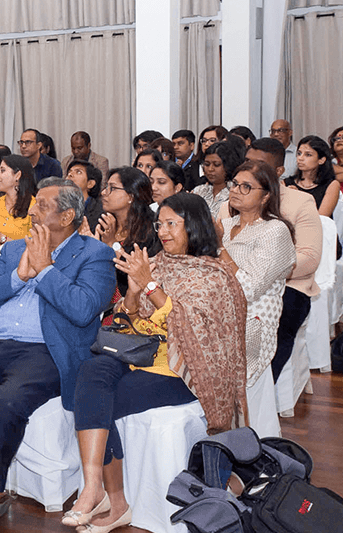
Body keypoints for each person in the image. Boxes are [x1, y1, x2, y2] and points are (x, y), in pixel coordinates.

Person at [0, 178, 116, 533]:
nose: (31, 210)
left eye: (42, 205)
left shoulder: (96, 255)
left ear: (68, 216)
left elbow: (84, 309)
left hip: (46, 351)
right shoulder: (14, 250)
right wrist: (18, 275)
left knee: (6, 403)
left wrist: (44, 270)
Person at [65, 192, 247, 532]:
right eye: (159, 224)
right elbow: (129, 321)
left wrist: (148, 283)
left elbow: (191, 327)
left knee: (101, 403)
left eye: (171, 224)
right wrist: (133, 294)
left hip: (183, 369)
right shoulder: (157, 263)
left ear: (193, 226)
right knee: (89, 372)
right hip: (138, 353)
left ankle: (115, 500)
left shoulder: (215, 274)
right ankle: (96, 489)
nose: (162, 231)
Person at [217, 160, 295, 436]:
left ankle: (257, 451)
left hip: (253, 320)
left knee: (246, 391)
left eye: (246, 186)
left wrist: (217, 247)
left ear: (266, 195)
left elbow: (247, 288)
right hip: (216, 315)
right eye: (234, 184)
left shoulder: (275, 231)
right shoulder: (225, 225)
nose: (236, 191)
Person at [241, 139, 322, 383]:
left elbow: (308, 258)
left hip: (290, 286)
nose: (251, 170)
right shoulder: (232, 202)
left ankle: (255, 393)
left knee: (271, 324)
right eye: (247, 162)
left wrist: (263, 272)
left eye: (260, 165)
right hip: (241, 284)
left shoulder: (300, 202)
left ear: (278, 172)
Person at [86, 167, 161, 297]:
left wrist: (111, 245)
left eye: (112, 188)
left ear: (131, 196)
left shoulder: (151, 231)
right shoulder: (104, 223)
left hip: (132, 304)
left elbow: (136, 278)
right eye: (106, 187)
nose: (104, 192)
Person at [284, 136, 340, 217]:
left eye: (308, 155)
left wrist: (300, 198)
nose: (300, 158)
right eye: (299, 153)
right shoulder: (286, 183)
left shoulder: (332, 185)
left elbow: (322, 219)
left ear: (321, 160)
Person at [192, 141, 240, 217]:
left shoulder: (235, 192)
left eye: (216, 165)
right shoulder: (199, 191)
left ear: (228, 166)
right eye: (207, 164)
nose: (210, 169)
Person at [65, 158, 105, 231]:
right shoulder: (58, 206)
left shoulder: (100, 212)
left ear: (90, 184)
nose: (70, 175)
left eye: (78, 172)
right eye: (69, 172)